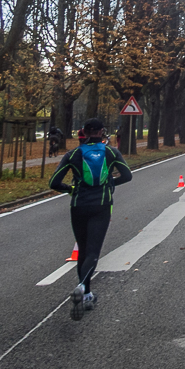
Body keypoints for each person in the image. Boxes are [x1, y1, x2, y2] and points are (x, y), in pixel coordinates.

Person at [48, 117, 133, 320]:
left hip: (78, 206)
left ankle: (86, 293)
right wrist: (110, 183)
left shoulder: (74, 154)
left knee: (83, 250)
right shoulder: (111, 152)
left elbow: (54, 182)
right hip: (101, 206)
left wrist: (70, 189)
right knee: (93, 252)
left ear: (84, 132)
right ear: (103, 132)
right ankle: (82, 290)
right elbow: (127, 176)